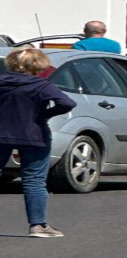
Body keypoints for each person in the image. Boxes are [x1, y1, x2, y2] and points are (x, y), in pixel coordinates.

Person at [0, 47, 77, 238]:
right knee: (34, 180)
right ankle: (38, 225)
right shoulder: (42, 85)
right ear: (38, 65)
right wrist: (44, 114)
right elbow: (67, 103)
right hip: (34, 134)